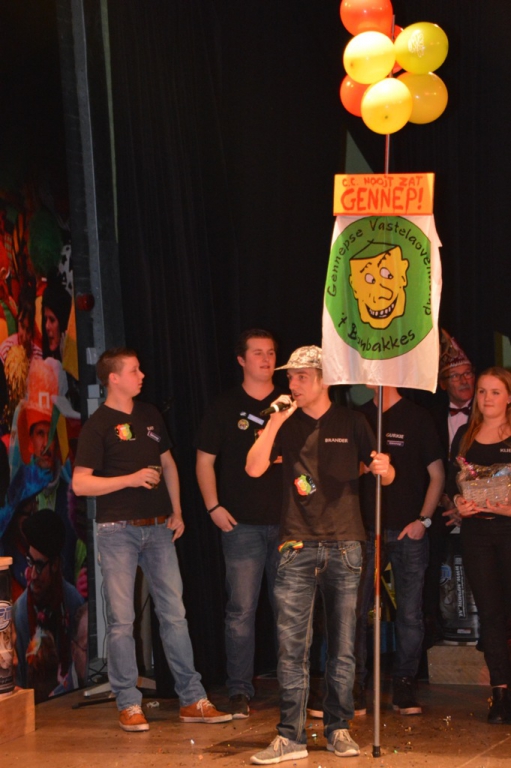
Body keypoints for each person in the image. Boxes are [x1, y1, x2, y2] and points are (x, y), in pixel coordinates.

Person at [245, 345, 394, 764]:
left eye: (302, 377)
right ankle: (289, 737)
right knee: (292, 647)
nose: (293, 384)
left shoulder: (352, 421)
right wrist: (275, 421)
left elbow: (384, 472)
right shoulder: (285, 423)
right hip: (296, 544)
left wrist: (385, 468)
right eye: (290, 377)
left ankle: (338, 728)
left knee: (343, 646)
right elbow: (254, 467)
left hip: (346, 544)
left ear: (324, 379)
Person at [72, 347, 231, 732]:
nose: (142, 375)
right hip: (117, 531)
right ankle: (128, 703)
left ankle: (192, 698)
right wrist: (129, 479)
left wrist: (177, 510)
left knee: (174, 614)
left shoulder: (149, 414)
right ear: (113, 378)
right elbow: (80, 484)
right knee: (122, 621)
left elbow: (169, 464)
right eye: (134, 370)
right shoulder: (97, 425)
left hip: (159, 528)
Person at [195, 329, 283, 719]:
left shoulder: (290, 403)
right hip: (241, 525)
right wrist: (213, 506)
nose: (266, 359)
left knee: (290, 611)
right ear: (241, 360)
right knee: (241, 610)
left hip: (288, 525)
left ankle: (294, 687)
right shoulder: (225, 405)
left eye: (271, 353)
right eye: (258, 353)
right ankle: (239, 690)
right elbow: (204, 460)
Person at [355, 387, 445, 716]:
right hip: (364, 529)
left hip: (408, 529)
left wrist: (424, 519)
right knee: (354, 611)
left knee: (409, 613)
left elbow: (437, 475)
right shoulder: (358, 416)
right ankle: (355, 683)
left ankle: (405, 682)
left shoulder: (418, 417)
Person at [446, 366, 511, 724]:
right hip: (477, 536)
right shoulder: (465, 436)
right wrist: (459, 502)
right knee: (490, 614)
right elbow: (453, 482)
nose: (486, 398)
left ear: (509, 397)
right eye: (483, 391)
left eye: (495, 391)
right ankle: (500, 693)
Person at [13, 508, 84, 703]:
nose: (32, 574)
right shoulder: (20, 612)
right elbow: (18, 680)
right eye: (30, 562)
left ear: (55, 565)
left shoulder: (73, 603)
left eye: (39, 565)